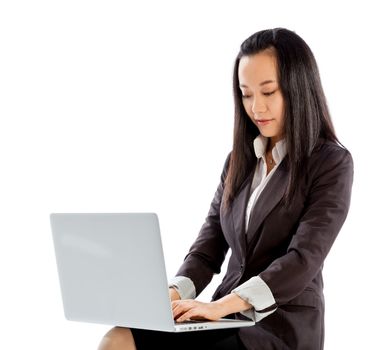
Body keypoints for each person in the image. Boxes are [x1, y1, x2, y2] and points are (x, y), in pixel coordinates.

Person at [98, 27, 354, 350]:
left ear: (297, 87)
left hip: (280, 328)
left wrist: (222, 305)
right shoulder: (239, 161)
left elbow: (303, 260)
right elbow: (208, 248)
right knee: (118, 338)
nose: (256, 108)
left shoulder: (331, 163)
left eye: (268, 92)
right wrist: (168, 297)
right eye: (246, 94)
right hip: (226, 318)